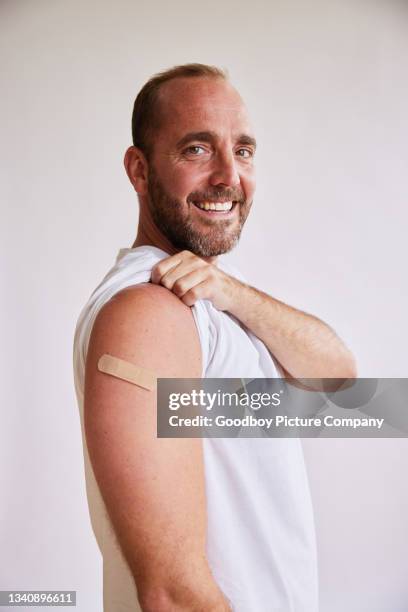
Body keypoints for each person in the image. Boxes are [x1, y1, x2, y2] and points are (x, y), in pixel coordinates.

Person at [73, 63, 356, 612]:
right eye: (197, 150)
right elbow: (173, 595)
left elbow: (341, 377)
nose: (230, 176)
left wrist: (231, 293)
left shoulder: (211, 295)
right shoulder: (148, 310)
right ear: (139, 169)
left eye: (243, 151)